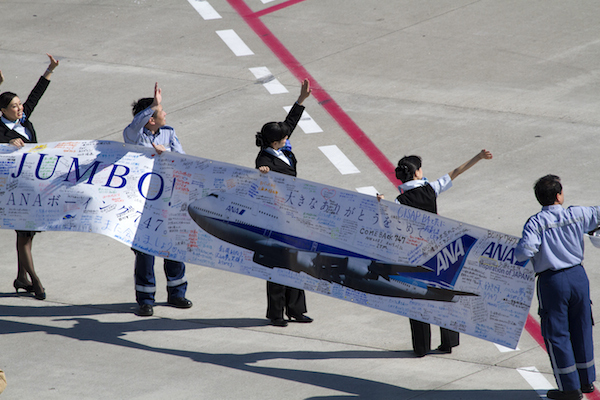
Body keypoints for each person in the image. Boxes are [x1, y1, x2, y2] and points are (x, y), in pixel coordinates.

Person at [393, 149, 492, 357]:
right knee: (444, 294)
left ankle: (421, 347)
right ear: (418, 173)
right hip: (439, 252)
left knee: (417, 298)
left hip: (415, 256)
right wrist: (478, 157)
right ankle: (448, 342)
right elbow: (456, 171)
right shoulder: (431, 189)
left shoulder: (398, 202)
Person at [515, 175, 597, 400]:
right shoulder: (577, 214)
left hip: (553, 282)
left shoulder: (535, 222)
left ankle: (569, 388)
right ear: (559, 196)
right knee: (582, 326)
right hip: (578, 277)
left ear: (539, 199)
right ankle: (586, 381)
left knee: (557, 333)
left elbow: (525, 251)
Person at [123, 82, 192, 317]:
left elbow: (183, 159)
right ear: (150, 118)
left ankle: (177, 293)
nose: (165, 114)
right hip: (143, 202)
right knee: (145, 251)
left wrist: (168, 154)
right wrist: (153, 104)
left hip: (169, 198)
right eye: (161, 111)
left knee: (173, 245)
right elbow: (136, 123)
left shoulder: (169, 133)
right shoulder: (133, 135)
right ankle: (145, 299)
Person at [0, 53, 59, 301]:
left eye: (19, 104)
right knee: (24, 235)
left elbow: (36, 94)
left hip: (32, 186)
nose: (20, 108)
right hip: (13, 190)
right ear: (2, 110)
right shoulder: (0, 128)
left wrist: (49, 69)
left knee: (26, 235)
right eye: (14, 106)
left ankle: (21, 278)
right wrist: (6, 140)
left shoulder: (24, 119)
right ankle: (35, 281)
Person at [255, 78, 313, 327]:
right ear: (273, 142)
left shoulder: (281, 147)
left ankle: (296, 309)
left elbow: (289, 124)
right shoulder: (263, 160)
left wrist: (300, 100)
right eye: (284, 137)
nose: (288, 137)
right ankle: (276, 313)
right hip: (276, 218)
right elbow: (259, 181)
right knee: (278, 264)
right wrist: (263, 172)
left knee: (297, 262)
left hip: (294, 215)